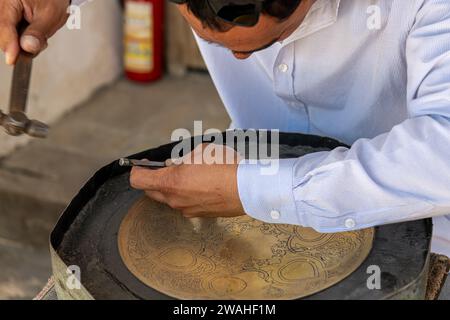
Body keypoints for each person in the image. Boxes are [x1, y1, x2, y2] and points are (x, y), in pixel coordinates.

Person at [1, 0, 449, 257]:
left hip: (411, 214)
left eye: (268, 43)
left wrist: (252, 190)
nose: (238, 61)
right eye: (214, 43)